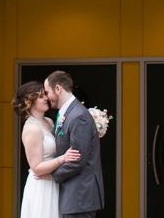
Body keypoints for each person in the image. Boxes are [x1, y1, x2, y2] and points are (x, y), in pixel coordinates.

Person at [13, 80, 81, 218]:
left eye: (45, 95)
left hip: (54, 181)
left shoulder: (49, 122)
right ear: (28, 102)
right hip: (42, 186)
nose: (46, 98)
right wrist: (63, 159)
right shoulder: (32, 128)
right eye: (40, 96)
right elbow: (36, 167)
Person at [45, 71, 104, 218]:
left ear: (58, 89)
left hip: (80, 196)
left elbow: (77, 160)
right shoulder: (70, 113)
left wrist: (50, 175)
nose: (46, 98)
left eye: (47, 92)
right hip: (75, 197)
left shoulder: (78, 117)